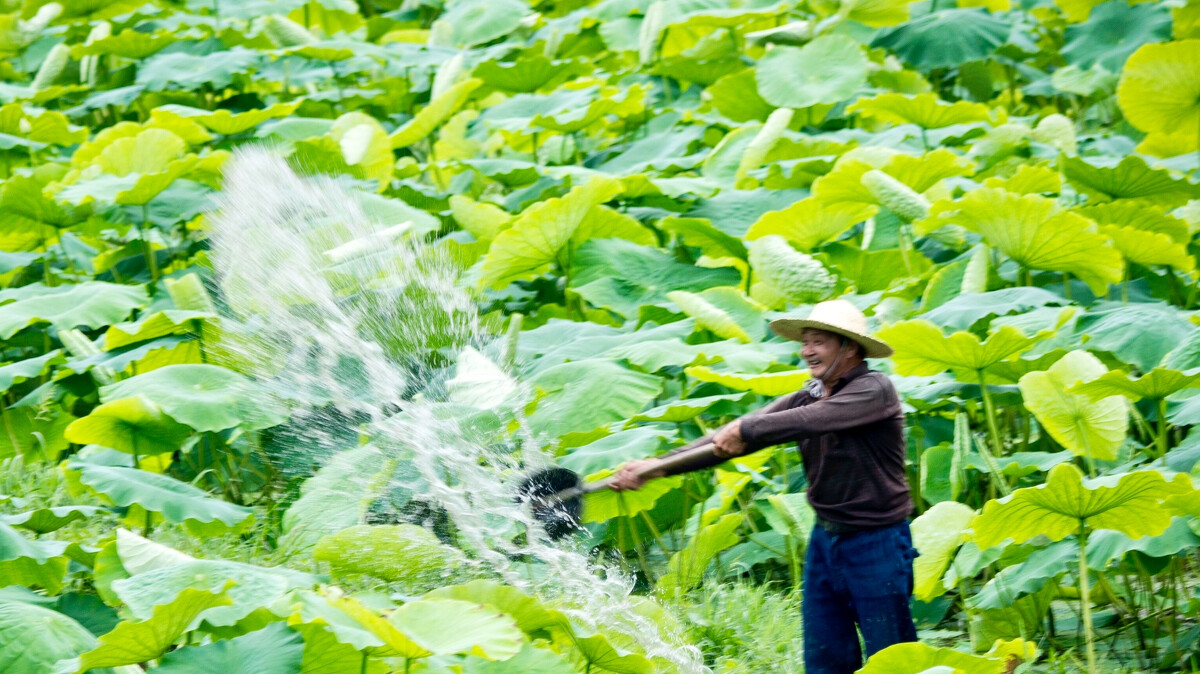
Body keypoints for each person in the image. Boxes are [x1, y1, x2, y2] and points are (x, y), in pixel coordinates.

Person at [610, 299, 918, 674]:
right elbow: (735, 433)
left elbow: (807, 421)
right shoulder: (812, 393)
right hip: (826, 539)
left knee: (892, 658)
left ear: (849, 347)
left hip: (877, 540)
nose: (806, 350)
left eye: (818, 341)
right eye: (805, 342)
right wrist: (656, 467)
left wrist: (747, 431)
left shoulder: (873, 389)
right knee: (826, 657)